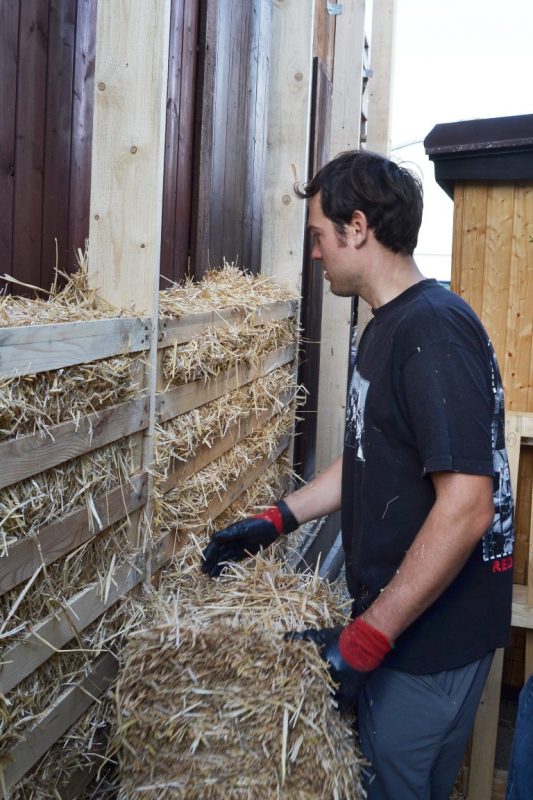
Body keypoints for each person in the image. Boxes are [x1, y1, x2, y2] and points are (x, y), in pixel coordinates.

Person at [202, 150, 515, 799]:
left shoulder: (432, 333)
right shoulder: (386, 326)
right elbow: (374, 453)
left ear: (358, 226)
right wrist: (276, 518)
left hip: (429, 643)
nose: (315, 253)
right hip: (406, 631)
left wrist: (367, 639)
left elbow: (466, 507)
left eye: (318, 234)